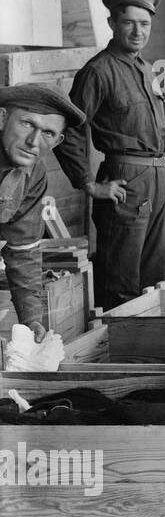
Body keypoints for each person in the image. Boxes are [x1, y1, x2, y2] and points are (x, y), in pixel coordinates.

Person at [58, 0, 165, 309]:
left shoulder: (149, 69)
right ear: (112, 23)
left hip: (160, 179)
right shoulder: (97, 72)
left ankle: (150, 350)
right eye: (128, 23)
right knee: (121, 280)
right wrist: (87, 184)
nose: (138, 31)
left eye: (145, 24)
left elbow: (153, 127)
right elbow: (67, 129)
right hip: (126, 181)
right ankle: (120, 354)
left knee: (156, 277)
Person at [0, 84, 87, 339]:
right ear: (2, 118)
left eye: (47, 133)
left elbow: (23, 249)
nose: (33, 142)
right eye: (27, 124)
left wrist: (31, 319)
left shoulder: (34, 174)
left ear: (58, 140)